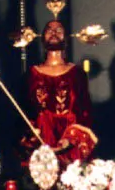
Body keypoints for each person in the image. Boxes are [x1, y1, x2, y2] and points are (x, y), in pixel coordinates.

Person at [22, 18, 97, 164]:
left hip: (70, 143)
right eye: (49, 29)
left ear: (67, 38)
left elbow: (84, 111)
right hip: (40, 143)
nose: (54, 33)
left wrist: (71, 138)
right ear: (42, 37)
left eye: (59, 30)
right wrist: (30, 135)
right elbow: (24, 109)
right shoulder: (31, 74)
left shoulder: (77, 73)